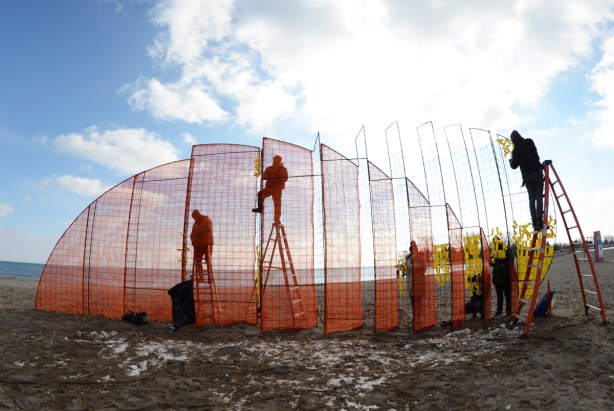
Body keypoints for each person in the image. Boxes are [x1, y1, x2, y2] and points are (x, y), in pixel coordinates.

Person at [509, 130, 544, 231]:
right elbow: (537, 156)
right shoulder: (529, 142)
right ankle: (540, 222)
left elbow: (514, 166)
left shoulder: (515, 151)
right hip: (537, 173)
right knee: (539, 197)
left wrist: (511, 161)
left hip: (527, 178)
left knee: (532, 200)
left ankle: (535, 224)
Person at [252, 155, 288, 224]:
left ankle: (277, 219)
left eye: (277, 160)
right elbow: (264, 176)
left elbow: (285, 178)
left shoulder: (283, 169)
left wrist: (278, 177)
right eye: (275, 159)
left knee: (277, 205)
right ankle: (260, 209)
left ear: (279, 160)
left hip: (277, 189)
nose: (275, 161)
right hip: (269, 187)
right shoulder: (269, 168)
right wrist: (265, 175)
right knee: (260, 194)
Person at [490, 236, 512, 317]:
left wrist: (500, 259)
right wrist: (493, 260)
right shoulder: (493, 251)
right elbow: (490, 263)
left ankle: (508, 311)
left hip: (506, 278)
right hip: (497, 278)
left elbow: (510, 261)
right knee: (499, 296)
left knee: (508, 296)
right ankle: (499, 311)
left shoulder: (507, 249)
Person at [190, 209, 214, 281]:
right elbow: (192, 234)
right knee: (197, 261)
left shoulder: (206, 219)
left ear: (198, 214)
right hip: (198, 245)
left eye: (195, 216)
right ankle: (201, 277)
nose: (195, 218)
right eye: (193, 217)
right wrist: (193, 240)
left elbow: (209, 229)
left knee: (208, 261)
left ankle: (210, 277)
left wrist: (199, 234)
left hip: (207, 244)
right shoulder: (195, 223)